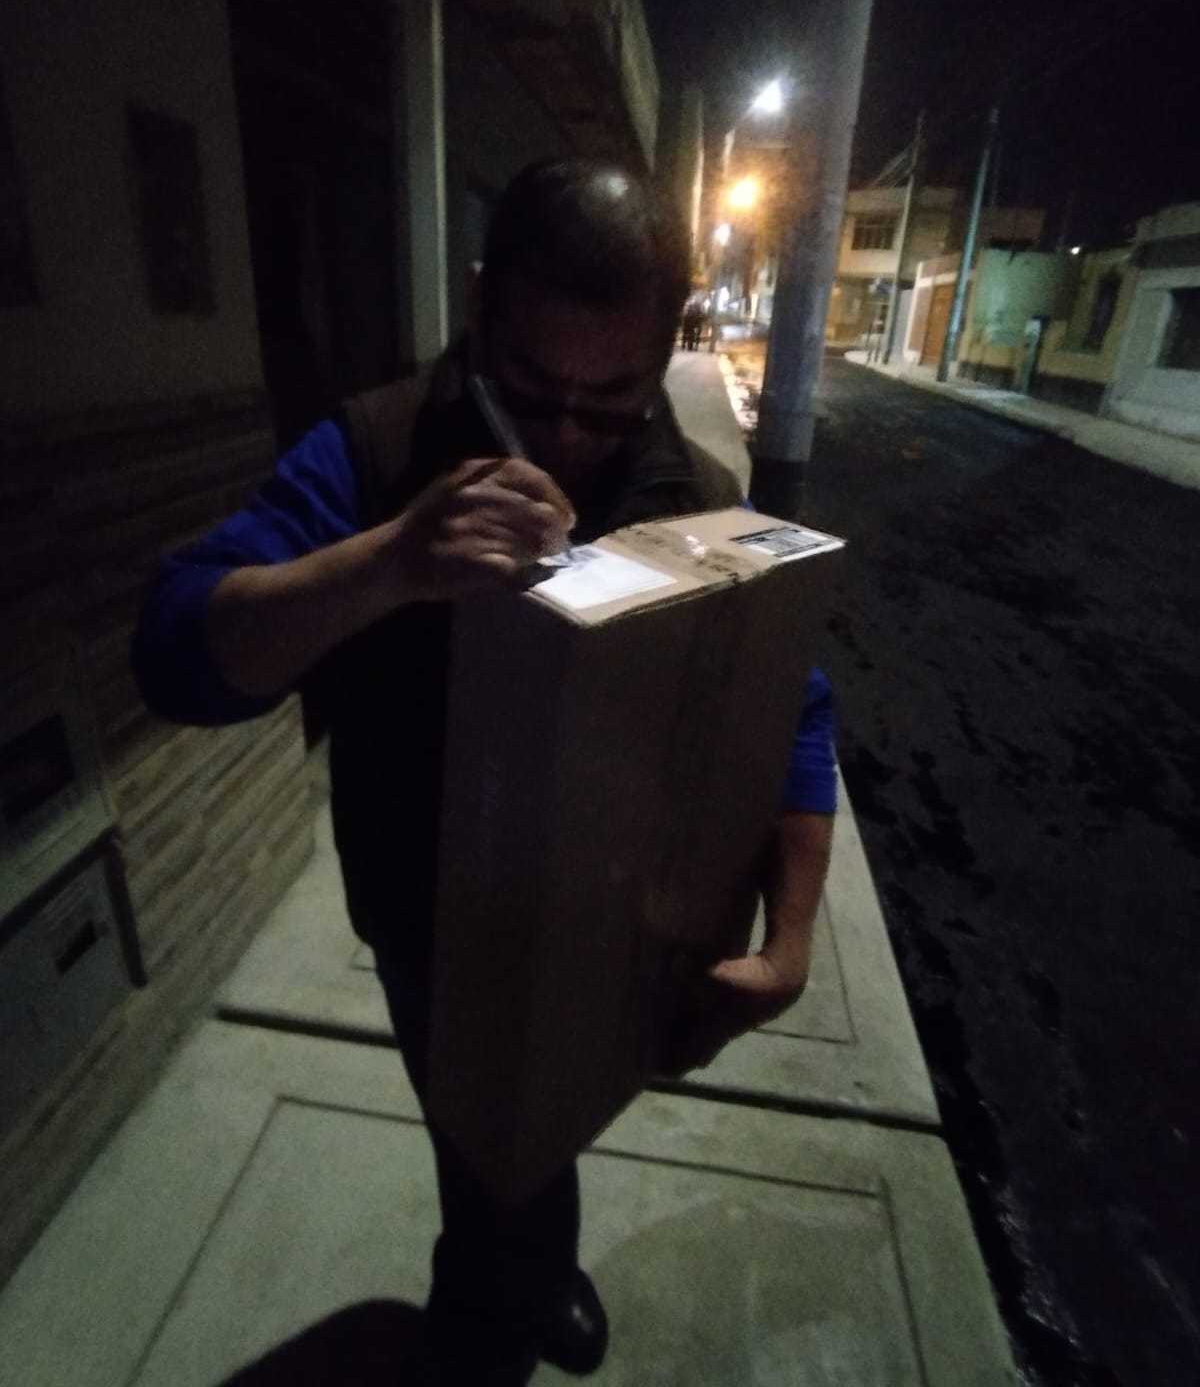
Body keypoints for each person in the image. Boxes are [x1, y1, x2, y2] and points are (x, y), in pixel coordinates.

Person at [132, 159, 837, 1386]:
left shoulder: (692, 488)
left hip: (613, 909)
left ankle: (536, 1264)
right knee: (472, 1128)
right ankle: (484, 1295)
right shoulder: (378, 446)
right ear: (479, 307)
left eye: (609, 401)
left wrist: (791, 937)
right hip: (431, 909)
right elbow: (174, 651)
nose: (565, 437)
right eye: (532, 387)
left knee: (566, 1102)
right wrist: (387, 563)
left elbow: (795, 699)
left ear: (665, 346)